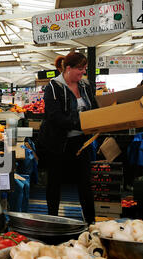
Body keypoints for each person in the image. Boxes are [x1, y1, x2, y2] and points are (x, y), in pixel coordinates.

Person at [37, 51, 99, 226]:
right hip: (57, 142)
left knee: (85, 183)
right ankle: (52, 220)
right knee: (55, 182)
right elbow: (54, 116)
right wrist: (81, 123)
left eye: (84, 69)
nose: (82, 73)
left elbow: (93, 107)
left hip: (81, 142)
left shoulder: (86, 86)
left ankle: (90, 221)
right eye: (80, 69)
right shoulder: (53, 87)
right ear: (69, 68)